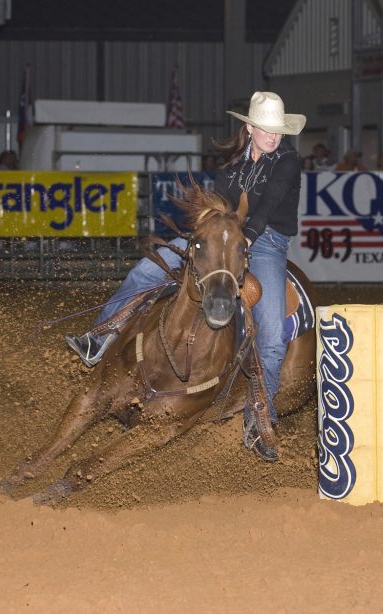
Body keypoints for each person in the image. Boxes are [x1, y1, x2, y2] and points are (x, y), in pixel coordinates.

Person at [65, 91, 306, 462]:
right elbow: (216, 212)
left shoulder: (287, 162)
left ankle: (260, 416)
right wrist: (214, 236)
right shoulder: (231, 168)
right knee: (146, 269)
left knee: (272, 334)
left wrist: (242, 241)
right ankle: (101, 336)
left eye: (278, 130)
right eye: (266, 128)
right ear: (249, 129)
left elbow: (268, 205)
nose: (273, 136)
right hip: (221, 237)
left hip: (266, 243)